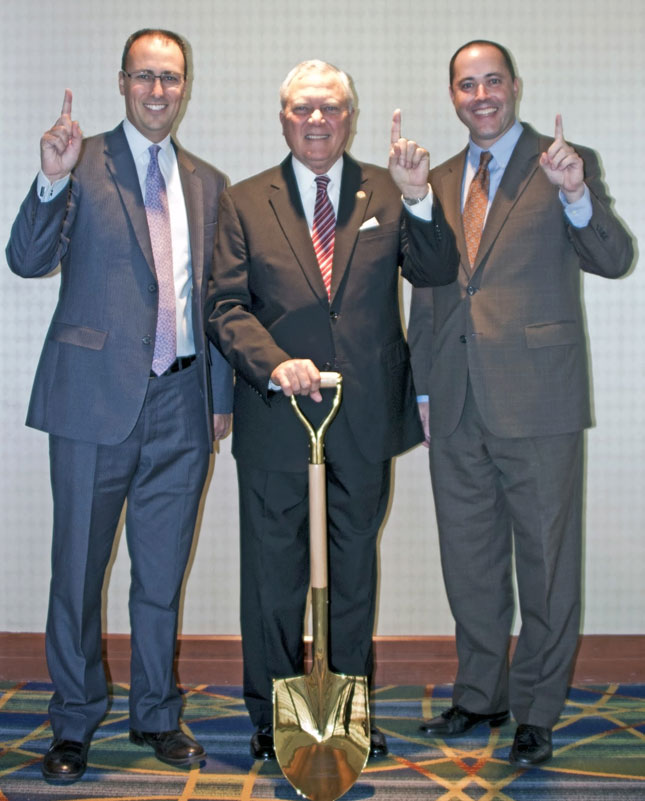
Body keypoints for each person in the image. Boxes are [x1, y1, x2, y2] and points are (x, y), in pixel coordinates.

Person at [204, 59, 457, 761]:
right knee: (273, 573)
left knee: (352, 570)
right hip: (275, 413)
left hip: (364, 412)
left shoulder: (389, 188)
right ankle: (273, 711)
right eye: (303, 108)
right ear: (283, 116)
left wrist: (421, 200)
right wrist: (270, 361)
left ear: (350, 116)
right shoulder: (244, 199)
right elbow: (223, 304)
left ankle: (348, 711)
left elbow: (434, 270)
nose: (317, 120)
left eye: (332, 108)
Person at [6, 29, 233, 783]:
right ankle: (71, 723)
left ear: (185, 84)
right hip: (91, 404)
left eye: (172, 77)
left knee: (160, 573)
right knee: (77, 570)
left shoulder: (206, 182)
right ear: (122, 81)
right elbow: (28, 259)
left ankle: (156, 713)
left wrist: (219, 397)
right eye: (146, 76)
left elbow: (219, 302)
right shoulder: (82, 161)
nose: (159, 90)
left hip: (182, 403)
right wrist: (47, 178)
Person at [408, 40, 633, 767]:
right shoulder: (437, 179)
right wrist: (420, 386)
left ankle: (535, 709)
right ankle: (480, 693)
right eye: (466, 85)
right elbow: (429, 292)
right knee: (468, 560)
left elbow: (612, 256)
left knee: (544, 562)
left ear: (513, 87)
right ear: (452, 96)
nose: (480, 95)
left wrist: (575, 196)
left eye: (491, 81)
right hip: (454, 398)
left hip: (538, 398)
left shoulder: (564, 162)